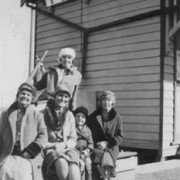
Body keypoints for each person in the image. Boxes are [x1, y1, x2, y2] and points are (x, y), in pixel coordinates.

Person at [0, 82, 48, 180]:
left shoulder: (37, 114)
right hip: (9, 152)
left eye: (28, 95)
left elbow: (43, 135)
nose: (25, 96)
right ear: (17, 96)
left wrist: (31, 151)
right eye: (22, 93)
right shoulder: (6, 113)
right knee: (5, 169)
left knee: (23, 172)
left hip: (29, 155)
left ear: (32, 99)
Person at [42, 83, 81, 180]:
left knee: (74, 167)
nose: (63, 99)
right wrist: (53, 146)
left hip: (66, 148)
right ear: (54, 96)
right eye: (60, 95)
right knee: (61, 162)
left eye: (66, 96)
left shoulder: (69, 115)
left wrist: (64, 145)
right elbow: (39, 138)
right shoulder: (43, 114)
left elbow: (73, 139)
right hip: (51, 149)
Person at [87, 90, 124, 180]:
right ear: (101, 102)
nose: (106, 102)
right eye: (104, 100)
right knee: (97, 156)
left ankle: (106, 177)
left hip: (111, 146)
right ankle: (105, 178)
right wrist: (97, 144)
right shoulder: (94, 116)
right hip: (97, 145)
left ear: (112, 103)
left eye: (109, 100)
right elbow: (88, 132)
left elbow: (120, 136)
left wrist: (107, 143)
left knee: (107, 156)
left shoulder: (117, 117)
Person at [74, 106, 94, 180]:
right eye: (77, 116)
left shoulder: (87, 130)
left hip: (85, 153)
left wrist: (87, 150)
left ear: (85, 119)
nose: (80, 119)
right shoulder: (72, 128)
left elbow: (91, 143)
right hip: (75, 152)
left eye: (83, 117)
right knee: (80, 166)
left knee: (88, 164)